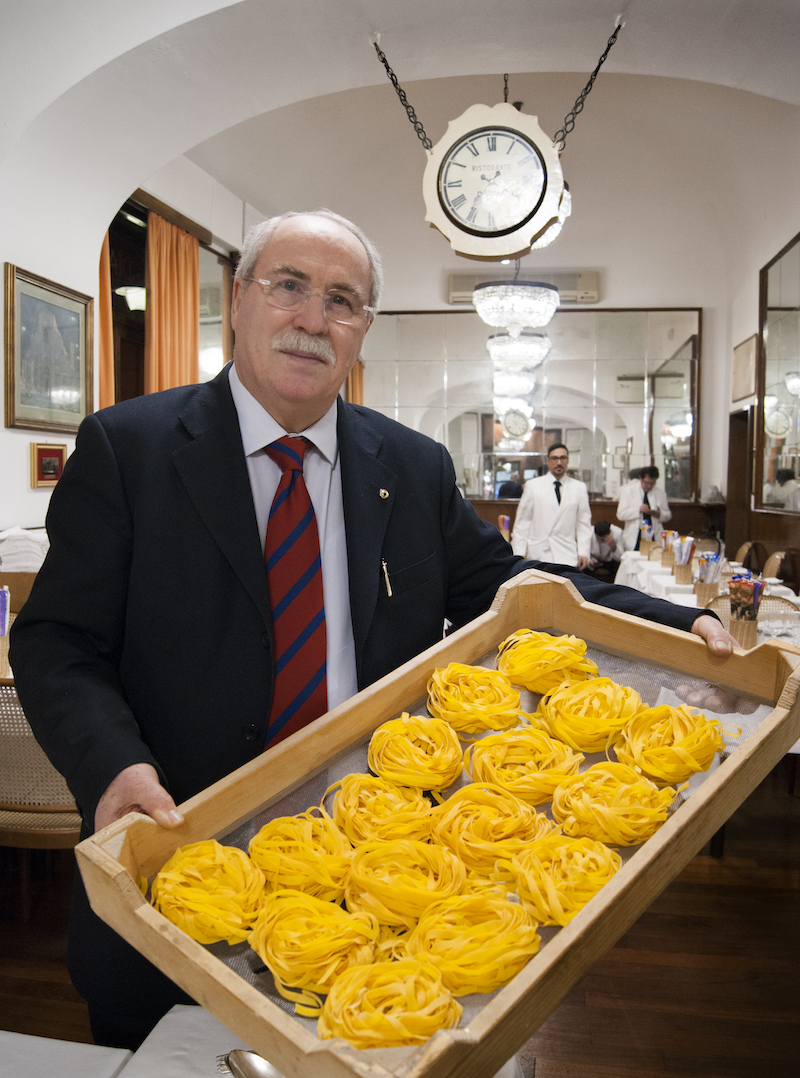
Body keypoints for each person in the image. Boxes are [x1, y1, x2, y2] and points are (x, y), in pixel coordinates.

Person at [10, 210, 735, 1050]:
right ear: (240, 299)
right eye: (289, 286)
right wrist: (114, 766)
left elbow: (516, 589)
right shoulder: (125, 448)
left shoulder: (413, 465)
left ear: (364, 330)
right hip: (180, 863)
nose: (312, 319)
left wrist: (686, 623)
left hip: (381, 877)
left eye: (342, 301)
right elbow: (57, 640)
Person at [510, 443, 592, 568]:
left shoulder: (579, 487)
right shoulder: (533, 486)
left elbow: (583, 523)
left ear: (567, 460)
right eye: (554, 458)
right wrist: (519, 554)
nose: (559, 462)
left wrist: (584, 552)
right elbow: (522, 523)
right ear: (548, 461)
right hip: (539, 553)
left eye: (563, 458)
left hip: (567, 553)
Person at [616, 465, 672, 550]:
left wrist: (659, 514)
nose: (649, 486)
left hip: (653, 535)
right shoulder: (628, 491)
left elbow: (668, 515)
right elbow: (620, 514)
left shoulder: (660, 493)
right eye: (647, 482)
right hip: (635, 536)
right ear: (640, 479)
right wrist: (638, 510)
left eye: (652, 483)